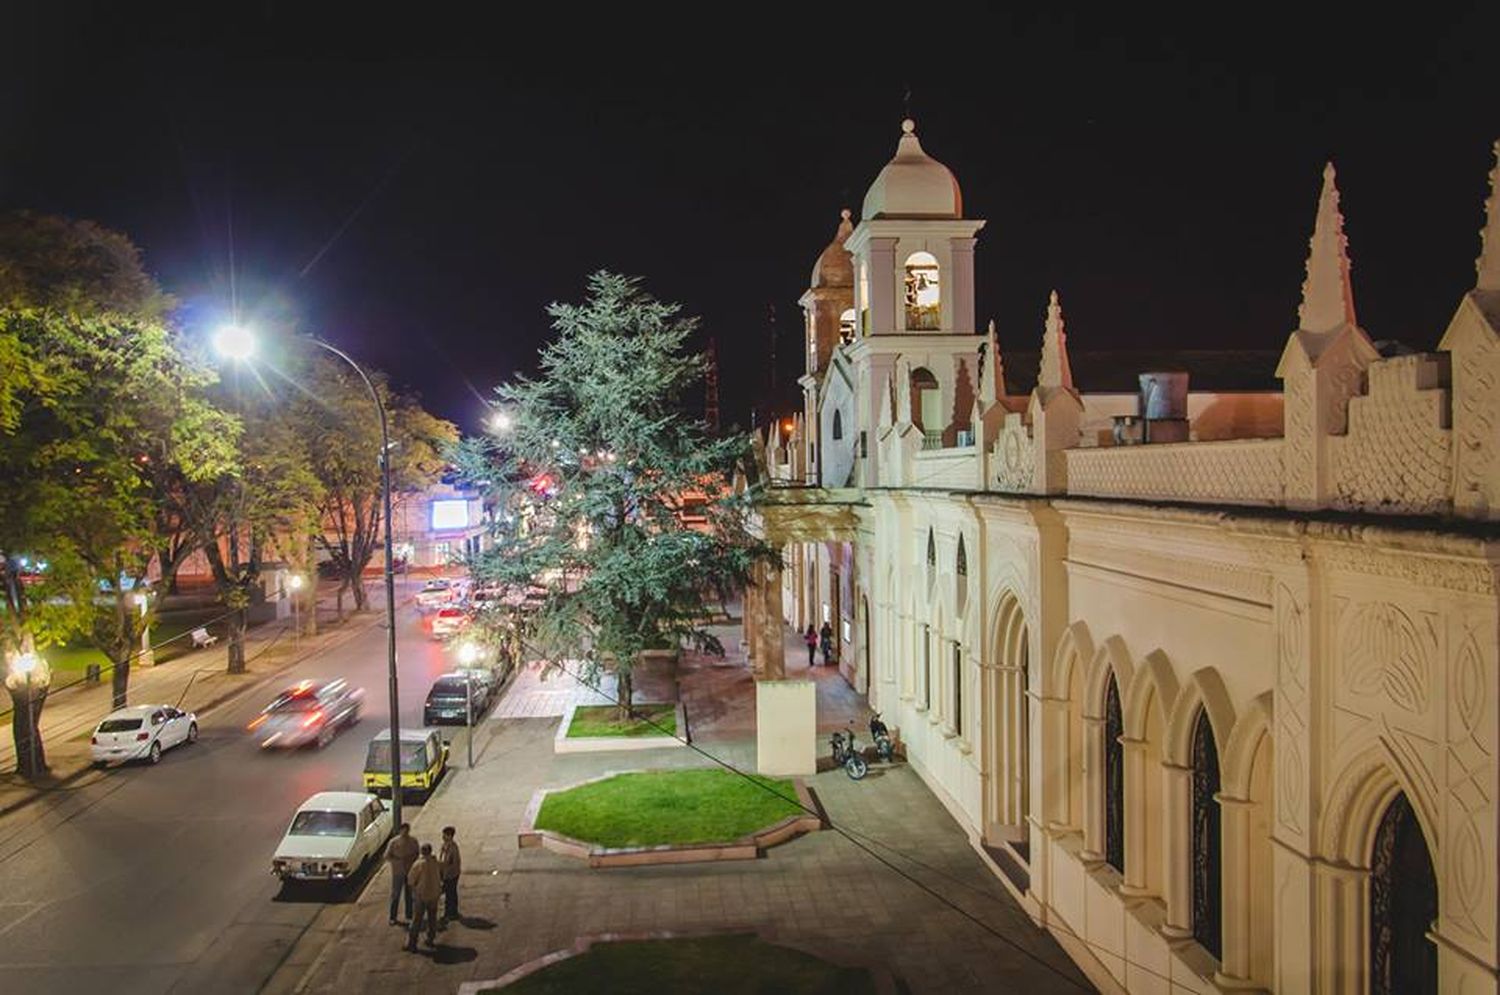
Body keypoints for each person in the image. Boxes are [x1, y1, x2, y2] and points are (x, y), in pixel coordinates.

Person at [405, 843, 443, 951]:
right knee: (432, 918)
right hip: (434, 895)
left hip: (421, 896)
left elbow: (410, 880)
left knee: (417, 920)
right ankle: (430, 939)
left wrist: (414, 891)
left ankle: (412, 943)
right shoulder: (435, 862)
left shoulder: (418, 864)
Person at [385, 823, 419, 925]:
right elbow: (387, 856)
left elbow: (417, 853)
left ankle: (409, 915)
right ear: (400, 831)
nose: (405, 832)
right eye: (403, 830)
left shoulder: (413, 841)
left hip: (409, 871)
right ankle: (393, 917)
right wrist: (397, 861)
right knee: (395, 894)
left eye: (407, 830)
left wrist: (411, 860)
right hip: (398, 872)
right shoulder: (393, 842)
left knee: (409, 894)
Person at [438, 825, 462, 924]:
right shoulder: (444, 845)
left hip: (451, 874)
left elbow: (454, 862)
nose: (443, 836)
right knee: (449, 893)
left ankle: (451, 912)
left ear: (450, 836)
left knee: (450, 893)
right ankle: (450, 912)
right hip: (446, 873)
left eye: (445, 835)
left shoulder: (453, 847)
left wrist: (447, 872)